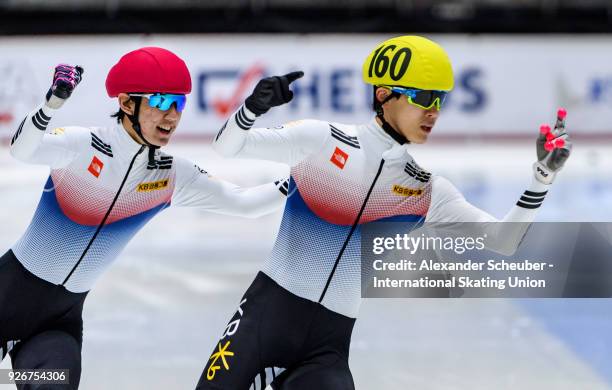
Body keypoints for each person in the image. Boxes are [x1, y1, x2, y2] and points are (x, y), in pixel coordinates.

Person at [196, 35, 571, 390]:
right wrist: (252, 109)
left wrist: (542, 179)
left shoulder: (426, 188)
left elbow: (504, 242)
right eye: (424, 98)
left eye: (440, 100)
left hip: (326, 347)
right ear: (383, 94)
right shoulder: (320, 139)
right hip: (266, 318)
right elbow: (228, 147)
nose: (433, 112)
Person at [0, 47, 287, 389]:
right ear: (126, 104)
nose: (172, 117)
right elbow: (23, 149)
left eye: (178, 104)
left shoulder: (170, 175)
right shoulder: (84, 146)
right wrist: (52, 104)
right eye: (161, 103)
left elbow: (245, 204)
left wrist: (303, 178)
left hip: (56, 324)